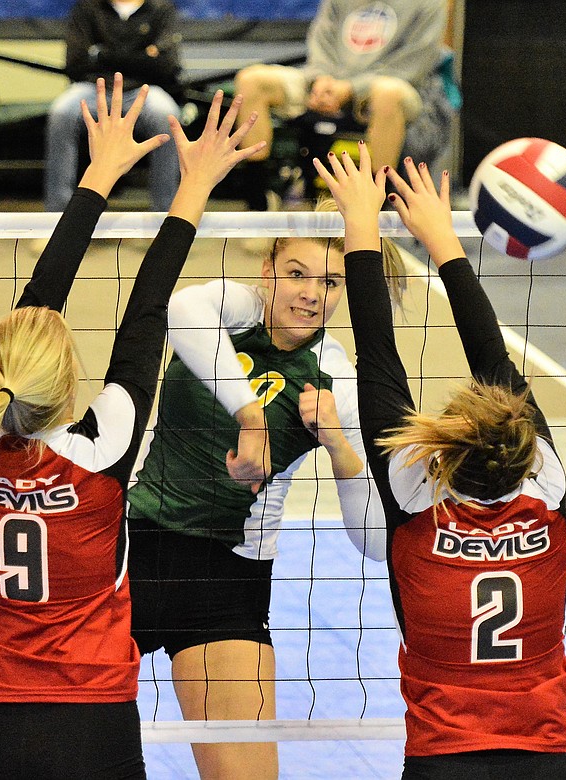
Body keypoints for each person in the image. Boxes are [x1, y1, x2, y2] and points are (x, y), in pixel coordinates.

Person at [0, 75, 263, 779]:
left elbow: (37, 307)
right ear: (65, 385)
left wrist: (94, 175)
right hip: (94, 712)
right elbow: (148, 311)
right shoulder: (102, 447)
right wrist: (192, 185)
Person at [315, 147, 566, 778]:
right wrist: (443, 242)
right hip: (546, 756)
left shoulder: (414, 502)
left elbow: (377, 359)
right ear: (521, 450)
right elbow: (491, 354)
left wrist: (364, 226)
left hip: (444, 757)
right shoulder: (545, 492)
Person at [126, 189, 400, 779]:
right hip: (131, 556)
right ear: (268, 270)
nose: (309, 294)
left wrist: (337, 444)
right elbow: (180, 312)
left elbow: (378, 542)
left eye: (329, 282)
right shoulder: (230, 309)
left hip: (227, 584)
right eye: (296, 274)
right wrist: (251, 416)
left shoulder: (336, 378)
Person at [233, 0, 453, 208]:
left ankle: (377, 205)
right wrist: (320, 81)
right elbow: (321, 43)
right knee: (251, 80)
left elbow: (412, 66)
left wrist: (350, 89)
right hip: (327, 82)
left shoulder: (429, 4)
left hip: (387, 88)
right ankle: (257, 201)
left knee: (388, 94)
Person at [44, 0, 183, 213]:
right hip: (93, 87)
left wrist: (100, 54)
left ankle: (166, 215)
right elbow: (75, 62)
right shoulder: (87, 8)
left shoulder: (161, 9)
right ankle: (55, 215)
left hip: (143, 89)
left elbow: (168, 66)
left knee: (168, 115)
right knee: (61, 112)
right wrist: (144, 55)